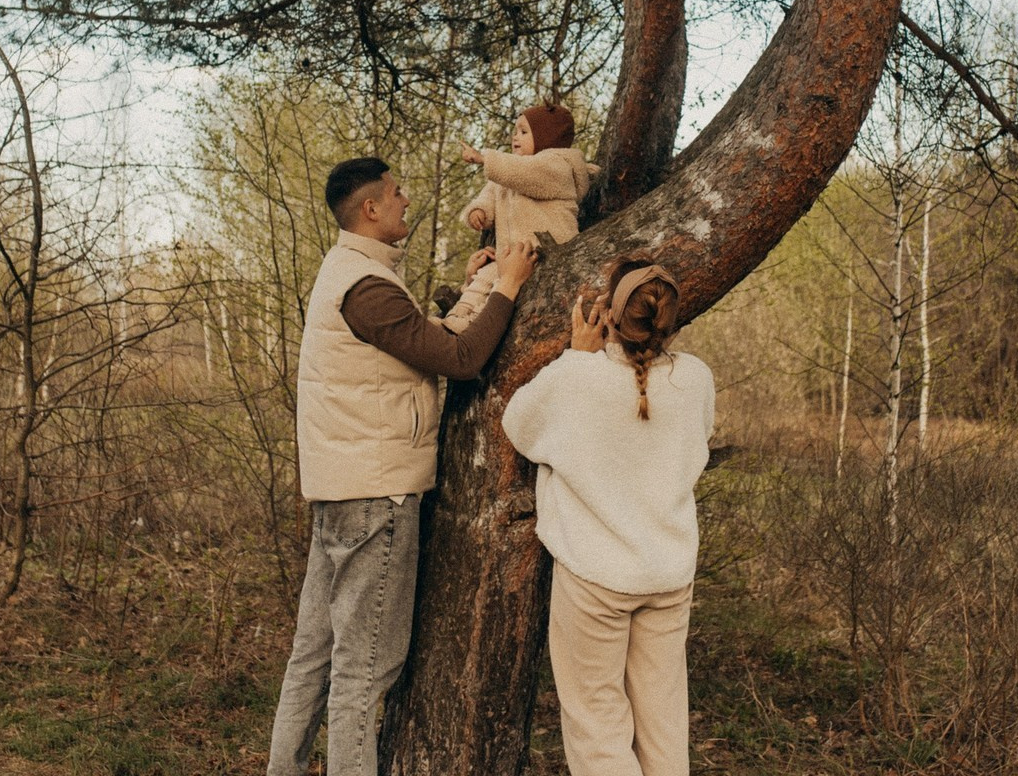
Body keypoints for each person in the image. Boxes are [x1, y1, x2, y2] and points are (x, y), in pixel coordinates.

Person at [267, 156, 537, 776]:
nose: (406, 200)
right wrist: (509, 287)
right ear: (370, 208)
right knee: (364, 672)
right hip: (376, 498)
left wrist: (477, 287)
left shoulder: (355, 275)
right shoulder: (365, 287)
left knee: (314, 656)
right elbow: (462, 357)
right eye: (396, 192)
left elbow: (425, 338)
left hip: (345, 491)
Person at [501, 259, 715, 776]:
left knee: (598, 725)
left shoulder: (577, 377)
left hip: (596, 577)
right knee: (664, 722)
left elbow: (517, 426)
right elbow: (697, 439)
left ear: (609, 317)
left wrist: (576, 356)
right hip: (668, 575)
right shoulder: (696, 378)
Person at [438, 103, 597, 332]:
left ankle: (474, 322)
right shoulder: (507, 173)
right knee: (484, 276)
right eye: (514, 131)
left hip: (544, 255)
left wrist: (485, 159)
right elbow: (489, 195)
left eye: (524, 132)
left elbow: (526, 172)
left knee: (499, 287)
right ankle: (458, 315)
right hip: (511, 256)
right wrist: (479, 212)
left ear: (547, 137)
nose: (515, 137)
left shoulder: (556, 167)